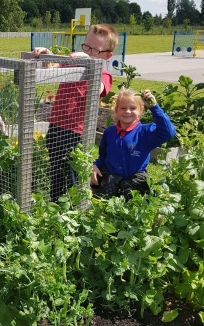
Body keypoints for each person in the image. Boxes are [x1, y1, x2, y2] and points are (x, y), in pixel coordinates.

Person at [32, 24, 119, 203]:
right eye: (86, 47)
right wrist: (47, 55)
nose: (87, 52)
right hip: (55, 127)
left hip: (77, 133)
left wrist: (87, 61)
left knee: (72, 176)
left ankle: (74, 209)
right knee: (56, 173)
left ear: (107, 55)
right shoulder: (71, 63)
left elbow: (98, 88)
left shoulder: (104, 75)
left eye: (94, 50)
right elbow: (51, 71)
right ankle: (56, 205)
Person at [90, 88, 176, 199]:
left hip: (134, 181)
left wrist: (154, 107)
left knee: (133, 203)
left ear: (141, 110)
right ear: (116, 110)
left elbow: (168, 132)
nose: (127, 111)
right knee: (105, 203)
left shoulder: (145, 132)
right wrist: (95, 165)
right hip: (111, 179)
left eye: (133, 108)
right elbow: (103, 156)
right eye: (123, 108)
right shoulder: (109, 132)